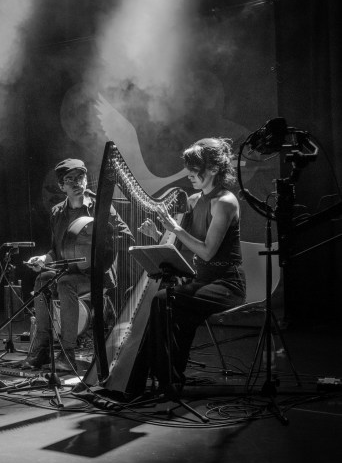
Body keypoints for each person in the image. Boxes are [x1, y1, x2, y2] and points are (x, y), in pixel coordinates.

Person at [136, 137, 246, 394]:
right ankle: (168, 378)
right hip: (201, 281)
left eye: (195, 169)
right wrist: (157, 235)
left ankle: (167, 378)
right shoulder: (194, 200)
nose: (189, 175)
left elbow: (206, 252)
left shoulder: (225, 202)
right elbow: (183, 247)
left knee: (165, 300)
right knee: (173, 309)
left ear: (214, 169)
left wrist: (175, 227)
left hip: (227, 284)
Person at [24, 159, 133, 372]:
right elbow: (56, 251)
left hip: (97, 274)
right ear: (61, 186)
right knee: (42, 279)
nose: (76, 182)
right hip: (69, 271)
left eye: (80, 177)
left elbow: (127, 237)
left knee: (64, 283)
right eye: (70, 179)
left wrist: (100, 237)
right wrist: (43, 259)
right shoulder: (57, 212)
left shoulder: (101, 207)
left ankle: (68, 354)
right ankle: (42, 348)